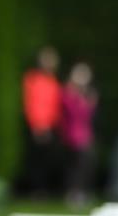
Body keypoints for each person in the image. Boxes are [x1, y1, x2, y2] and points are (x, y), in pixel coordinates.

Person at [21, 46, 62, 196]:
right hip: (36, 127)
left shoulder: (54, 82)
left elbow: (55, 106)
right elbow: (30, 104)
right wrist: (36, 125)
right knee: (35, 161)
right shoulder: (32, 79)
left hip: (50, 128)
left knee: (47, 161)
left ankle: (44, 190)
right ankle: (35, 191)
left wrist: (50, 125)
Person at [60, 62, 98, 207]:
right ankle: (74, 193)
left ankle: (82, 192)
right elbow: (73, 113)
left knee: (87, 165)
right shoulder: (68, 93)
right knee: (76, 166)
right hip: (73, 136)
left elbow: (89, 115)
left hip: (86, 136)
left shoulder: (87, 95)